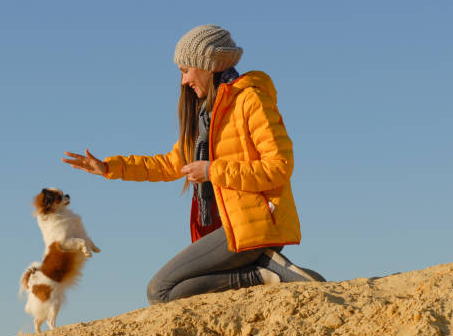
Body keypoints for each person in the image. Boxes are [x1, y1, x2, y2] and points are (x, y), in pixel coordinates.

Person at [62, 24, 324, 304]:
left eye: (185, 70)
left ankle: (259, 273)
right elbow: (170, 164)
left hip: (254, 224)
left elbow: (279, 167)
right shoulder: (205, 118)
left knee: (158, 291)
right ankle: (263, 270)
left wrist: (212, 170)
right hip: (229, 226)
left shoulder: (250, 99)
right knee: (169, 294)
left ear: (209, 64)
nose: (183, 80)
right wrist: (110, 168)